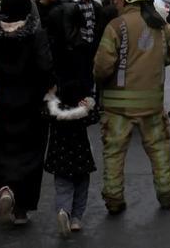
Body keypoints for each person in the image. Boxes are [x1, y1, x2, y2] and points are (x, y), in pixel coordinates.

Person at [93, 0, 170, 214]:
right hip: (152, 103)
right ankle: (167, 194)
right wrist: (159, 62)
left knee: (114, 153)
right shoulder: (159, 24)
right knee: (159, 150)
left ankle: (114, 199)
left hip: (117, 106)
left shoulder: (115, 26)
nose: (113, 2)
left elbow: (103, 67)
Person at [0, 0, 54, 225]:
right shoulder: (36, 34)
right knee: (31, 155)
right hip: (31, 104)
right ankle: (21, 210)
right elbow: (45, 67)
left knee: (4, 151)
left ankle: (5, 190)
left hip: (3, 102)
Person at [44, 82, 100, 237]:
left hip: (58, 149)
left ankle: (63, 211)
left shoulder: (54, 94)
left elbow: (45, 112)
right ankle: (76, 218)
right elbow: (94, 116)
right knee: (82, 183)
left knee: (62, 185)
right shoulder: (82, 92)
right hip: (80, 149)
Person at [75, 0, 105, 97]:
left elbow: (100, 25)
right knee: (82, 72)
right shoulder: (75, 6)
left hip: (94, 44)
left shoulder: (97, 7)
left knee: (94, 71)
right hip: (82, 44)